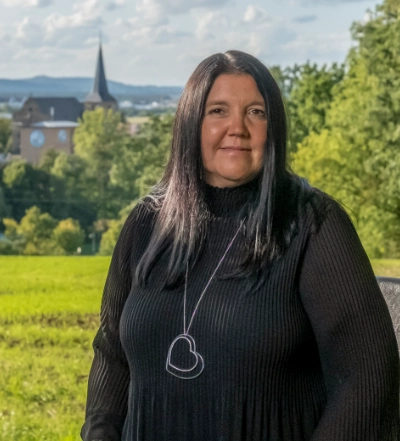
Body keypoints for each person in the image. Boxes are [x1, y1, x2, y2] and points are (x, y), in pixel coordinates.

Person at [81, 50, 400, 441]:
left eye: (256, 112)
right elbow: (112, 352)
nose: (238, 128)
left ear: (274, 128)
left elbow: (368, 378)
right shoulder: (147, 222)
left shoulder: (313, 224)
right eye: (218, 111)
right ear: (190, 123)